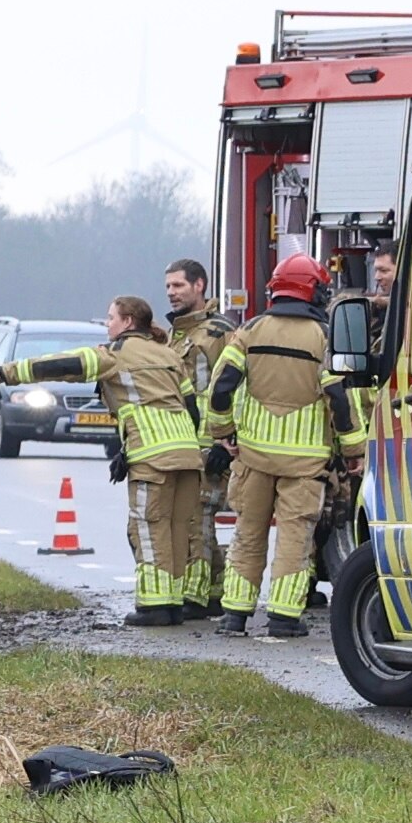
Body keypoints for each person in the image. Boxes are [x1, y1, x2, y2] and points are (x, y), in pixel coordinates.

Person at [0, 295, 214, 623]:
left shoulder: (113, 356)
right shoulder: (169, 355)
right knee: (178, 529)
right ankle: (174, 603)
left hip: (153, 456)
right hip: (188, 457)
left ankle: (154, 606)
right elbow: (191, 408)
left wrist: (10, 372)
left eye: (111, 318)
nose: (107, 324)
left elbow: (64, 365)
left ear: (127, 322)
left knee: (149, 528)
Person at [207, 256, 353, 638]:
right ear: (316, 292)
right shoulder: (324, 336)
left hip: (253, 457)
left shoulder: (251, 330)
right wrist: (354, 450)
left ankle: (235, 615)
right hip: (305, 463)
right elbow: (339, 399)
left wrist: (222, 430)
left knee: (248, 532)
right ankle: (285, 618)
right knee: (295, 537)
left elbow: (222, 385)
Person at [162, 258, 232, 615]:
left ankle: (198, 596)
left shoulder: (219, 333)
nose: (171, 293)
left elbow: (235, 386)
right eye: (169, 287)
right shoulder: (179, 334)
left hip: (212, 444)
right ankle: (214, 592)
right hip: (186, 443)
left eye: (179, 286)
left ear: (199, 285)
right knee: (192, 518)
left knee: (197, 518)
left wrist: (225, 440)